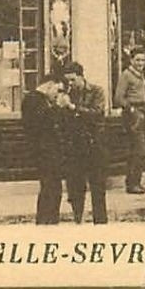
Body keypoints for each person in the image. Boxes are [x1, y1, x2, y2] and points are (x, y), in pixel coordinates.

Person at [60, 61, 109, 224]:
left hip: (94, 144)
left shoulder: (96, 91)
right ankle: (77, 220)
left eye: (73, 80)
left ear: (81, 77)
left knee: (98, 188)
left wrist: (73, 108)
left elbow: (97, 113)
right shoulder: (68, 94)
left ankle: (100, 223)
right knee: (75, 188)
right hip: (75, 146)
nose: (71, 84)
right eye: (68, 81)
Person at [20, 71, 72, 224]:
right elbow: (41, 123)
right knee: (50, 189)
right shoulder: (32, 100)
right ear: (50, 85)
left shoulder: (41, 100)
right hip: (43, 152)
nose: (58, 94)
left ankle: (50, 221)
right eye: (58, 90)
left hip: (50, 152)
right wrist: (58, 107)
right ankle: (45, 222)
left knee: (54, 189)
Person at [115, 48, 145, 194]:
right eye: (137, 60)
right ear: (131, 60)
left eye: (143, 60)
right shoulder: (126, 75)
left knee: (137, 150)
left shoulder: (140, 75)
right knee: (140, 150)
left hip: (142, 111)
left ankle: (134, 182)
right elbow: (118, 98)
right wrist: (131, 110)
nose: (140, 63)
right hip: (133, 114)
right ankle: (133, 184)